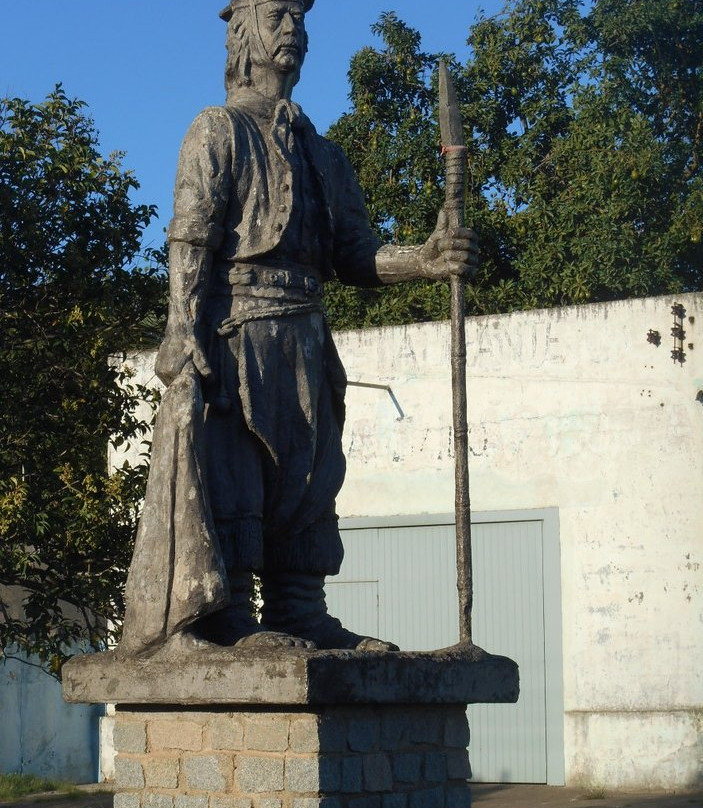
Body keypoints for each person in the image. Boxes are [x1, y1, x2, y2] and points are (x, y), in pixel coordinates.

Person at [118, 0, 478, 656]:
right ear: (241, 32)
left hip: (308, 336)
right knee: (238, 472)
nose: (292, 30)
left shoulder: (324, 153)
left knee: (308, 480)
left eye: (300, 19)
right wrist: (180, 328)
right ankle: (231, 617)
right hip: (238, 331)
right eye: (277, 14)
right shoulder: (216, 129)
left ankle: (300, 608)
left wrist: (425, 260)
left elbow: (355, 254)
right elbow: (190, 235)